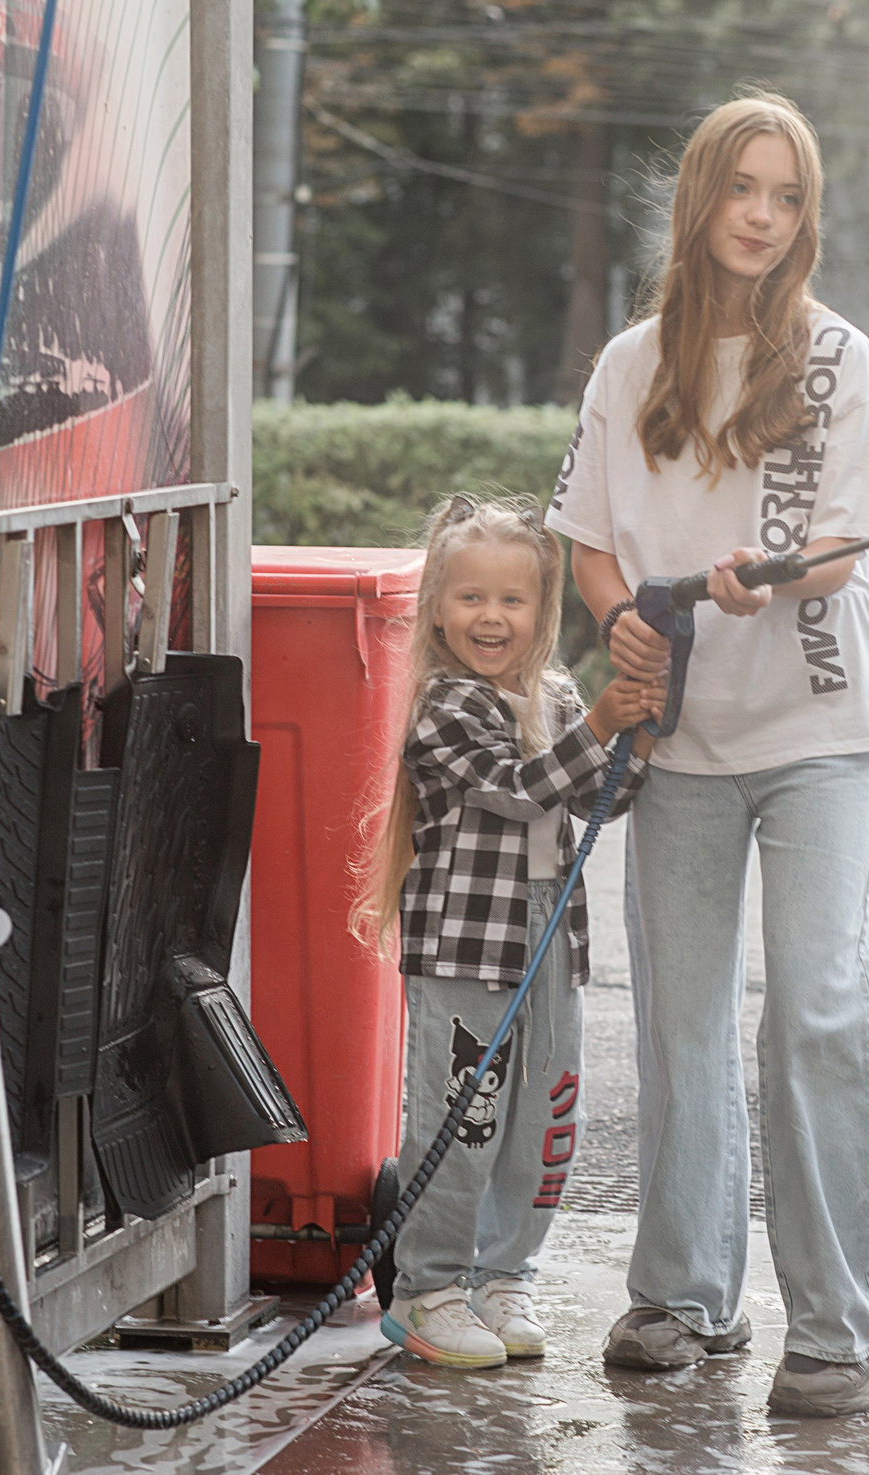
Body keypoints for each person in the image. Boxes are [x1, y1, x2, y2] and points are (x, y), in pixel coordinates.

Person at [545, 91, 869, 1417]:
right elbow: (588, 537)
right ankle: (685, 1296)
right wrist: (622, 628)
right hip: (680, 740)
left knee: (818, 1007)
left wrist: (771, 575)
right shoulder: (629, 362)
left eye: (788, 195)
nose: (763, 214)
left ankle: (848, 1320)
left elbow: (850, 542)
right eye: (743, 187)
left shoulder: (840, 361)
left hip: (815, 730)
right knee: (682, 1019)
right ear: (700, 198)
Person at [352, 494, 661, 1369]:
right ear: (440, 608)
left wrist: (633, 731)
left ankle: (503, 1272)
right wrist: (600, 727)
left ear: (542, 609)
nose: (491, 617)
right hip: (466, 938)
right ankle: (428, 1286)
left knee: (545, 1111)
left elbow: (601, 798)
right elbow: (519, 788)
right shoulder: (443, 707)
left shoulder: (557, 692)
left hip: (550, 933)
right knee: (464, 1114)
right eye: (471, 598)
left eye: (511, 600)